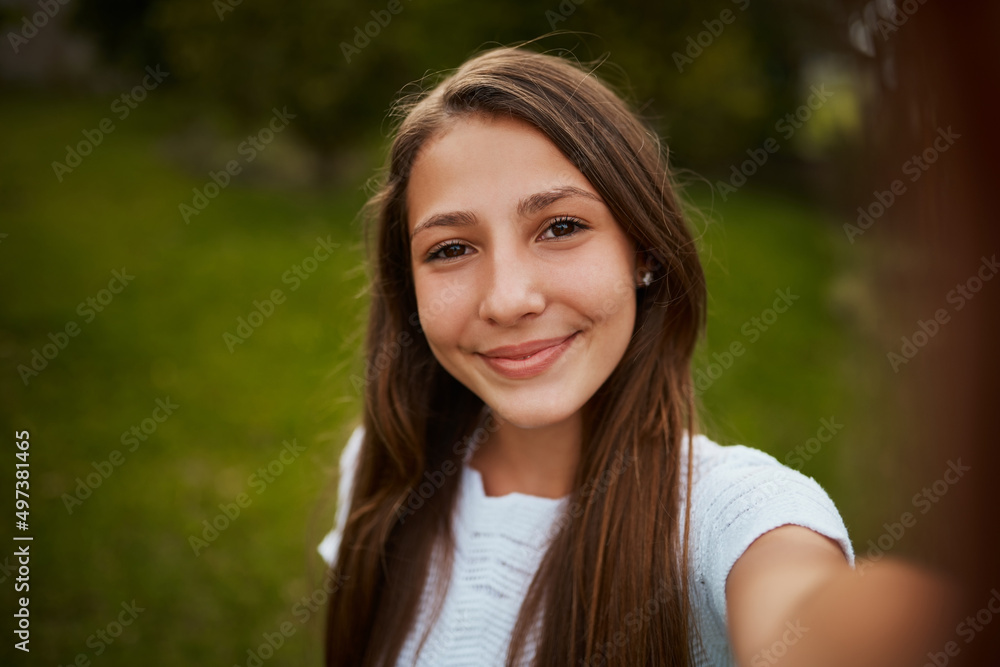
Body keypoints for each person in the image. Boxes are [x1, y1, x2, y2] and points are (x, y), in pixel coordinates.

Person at [318, 46, 953, 667]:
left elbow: (804, 614)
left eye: (561, 228)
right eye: (451, 248)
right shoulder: (384, 470)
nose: (508, 300)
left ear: (643, 251)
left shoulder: (730, 519)